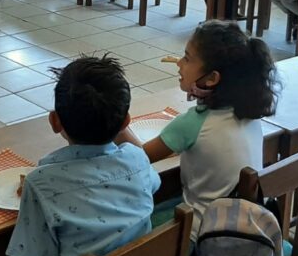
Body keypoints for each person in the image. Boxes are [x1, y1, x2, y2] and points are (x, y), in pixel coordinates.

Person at [0, 55, 158, 256]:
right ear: (126, 122)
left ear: (55, 122)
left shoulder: (42, 185)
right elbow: (153, 184)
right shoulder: (139, 161)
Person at [117, 20, 279, 240]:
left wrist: (117, 122)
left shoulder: (192, 123)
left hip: (199, 237)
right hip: (239, 226)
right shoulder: (249, 113)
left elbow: (139, 158)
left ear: (212, 78)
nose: (179, 64)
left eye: (187, 58)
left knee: (131, 224)